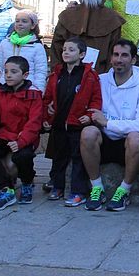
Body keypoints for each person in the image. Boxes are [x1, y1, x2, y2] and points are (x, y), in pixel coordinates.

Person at [81, 39, 139, 212]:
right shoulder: (100, 80)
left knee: (137, 138)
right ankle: (97, 188)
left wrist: (108, 122)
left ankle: (124, 191)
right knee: (88, 133)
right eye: (115, 55)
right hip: (103, 141)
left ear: (133, 60)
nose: (119, 60)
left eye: (124, 55)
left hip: (128, 145)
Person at [0, 56, 44, 211]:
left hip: (24, 138)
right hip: (4, 135)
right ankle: (5, 188)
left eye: (14, 72)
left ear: (25, 75)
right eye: (6, 71)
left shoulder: (34, 96)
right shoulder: (1, 94)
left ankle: (27, 183)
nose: (8, 75)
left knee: (23, 156)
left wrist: (21, 141)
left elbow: (34, 123)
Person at [42, 37, 101, 207]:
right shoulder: (56, 74)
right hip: (59, 123)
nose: (66, 52)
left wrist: (89, 116)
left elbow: (96, 99)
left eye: (71, 50)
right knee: (58, 157)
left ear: (82, 54)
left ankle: (78, 192)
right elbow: (47, 99)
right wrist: (48, 114)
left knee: (77, 159)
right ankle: (57, 186)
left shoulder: (89, 75)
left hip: (77, 124)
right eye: (64, 50)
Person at [51, 0, 125, 75]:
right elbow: (57, 47)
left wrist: (108, 76)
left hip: (99, 74)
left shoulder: (112, 19)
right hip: (67, 74)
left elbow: (113, 51)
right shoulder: (67, 16)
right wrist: (57, 73)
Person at [0, 9, 48, 91]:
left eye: (24, 21)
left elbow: (40, 72)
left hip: (28, 89)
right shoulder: (4, 43)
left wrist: (38, 90)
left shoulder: (37, 47)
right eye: (17, 21)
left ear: (32, 25)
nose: (20, 24)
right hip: (5, 87)